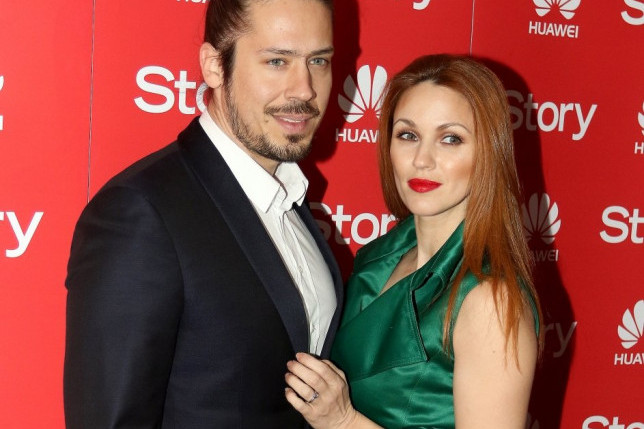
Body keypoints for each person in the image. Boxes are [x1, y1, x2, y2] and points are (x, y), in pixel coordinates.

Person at [64, 0, 342, 427]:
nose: (304, 89)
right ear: (214, 66)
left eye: (318, 61)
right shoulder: (141, 213)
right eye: (277, 61)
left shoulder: (291, 197)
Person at [284, 54, 543, 429]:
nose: (422, 159)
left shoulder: (490, 300)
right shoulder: (379, 258)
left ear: (489, 153)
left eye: (450, 139)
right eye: (408, 135)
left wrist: (343, 422)